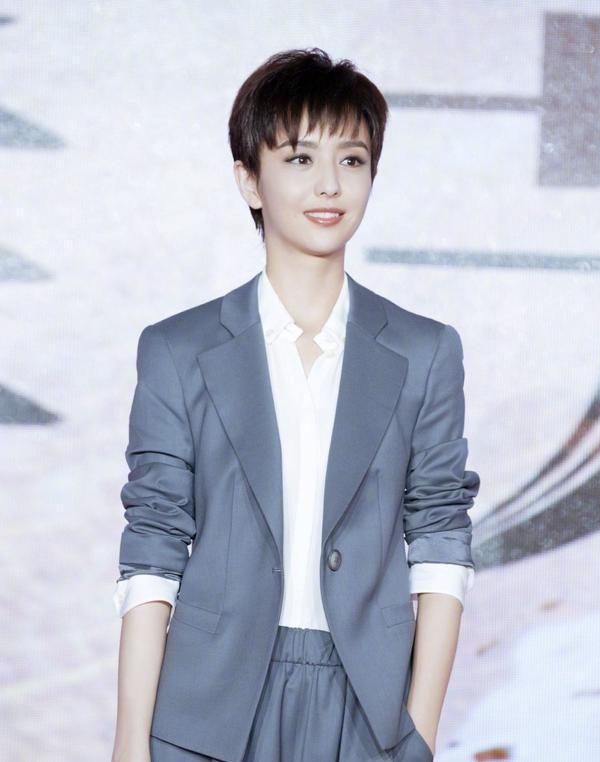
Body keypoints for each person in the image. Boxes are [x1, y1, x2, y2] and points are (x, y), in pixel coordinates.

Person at [111, 47, 480, 762]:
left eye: (352, 160)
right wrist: (131, 741)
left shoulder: (426, 352)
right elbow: (153, 543)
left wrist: (420, 732)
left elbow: (440, 535)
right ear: (249, 180)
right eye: (300, 158)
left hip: (367, 711)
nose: (329, 184)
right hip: (208, 708)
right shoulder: (177, 350)